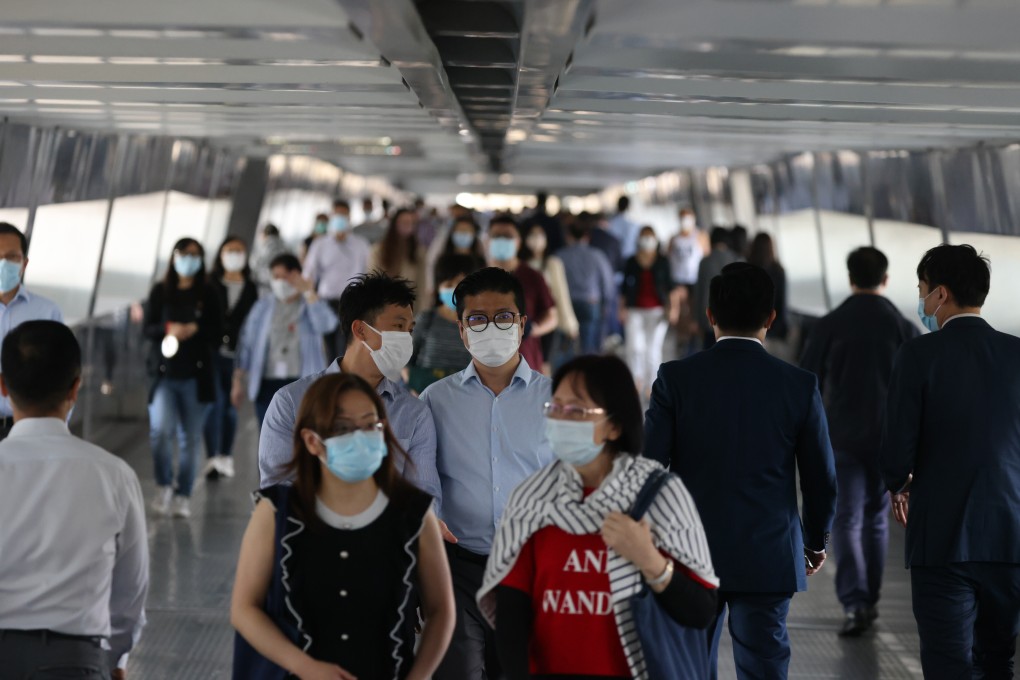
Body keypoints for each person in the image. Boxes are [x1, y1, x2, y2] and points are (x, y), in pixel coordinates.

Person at [644, 262, 837, 679]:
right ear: (770, 317)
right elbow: (821, 478)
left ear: (710, 315)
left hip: (690, 551)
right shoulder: (798, 385)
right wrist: (815, 540)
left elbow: (649, 466)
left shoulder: (676, 379)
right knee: (764, 666)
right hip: (768, 553)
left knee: (689, 664)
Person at [479, 354, 719, 679]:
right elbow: (511, 618)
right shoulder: (532, 500)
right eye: (556, 408)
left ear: (614, 425)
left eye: (576, 410)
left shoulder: (660, 496)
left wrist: (649, 560)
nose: (562, 420)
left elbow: (701, 611)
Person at [231, 373, 455, 680]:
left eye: (370, 425)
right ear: (312, 440)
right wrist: (304, 666)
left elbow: (441, 610)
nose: (360, 436)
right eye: (343, 428)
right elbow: (245, 608)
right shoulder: (274, 512)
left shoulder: (415, 514)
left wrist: (419, 676)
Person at [881, 244, 1020, 678]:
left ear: (940, 294)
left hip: (941, 537)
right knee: (998, 661)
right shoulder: (1017, 353)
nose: (921, 300)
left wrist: (897, 483)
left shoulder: (919, 356)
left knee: (946, 663)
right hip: (1010, 535)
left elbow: (898, 447)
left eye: (922, 289)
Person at [420, 267, 556, 680]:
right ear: (462, 331)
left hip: (532, 569)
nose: (490, 327)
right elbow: (425, 476)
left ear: (522, 325)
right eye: (477, 319)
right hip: (460, 569)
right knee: (459, 671)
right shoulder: (435, 400)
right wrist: (430, 515)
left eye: (503, 317)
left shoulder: (555, 400)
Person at [0, 320, 148, 680]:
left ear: (3, 387)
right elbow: (131, 592)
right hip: (73, 661)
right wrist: (114, 660)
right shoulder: (114, 475)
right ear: (76, 388)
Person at [799, 246, 918, 637]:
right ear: (885, 279)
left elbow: (807, 380)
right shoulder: (902, 326)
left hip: (842, 437)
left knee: (846, 519)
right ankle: (872, 598)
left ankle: (854, 602)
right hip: (888, 439)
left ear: (849, 278)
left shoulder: (831, 323)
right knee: (877, 521)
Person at [258, 272, 441, 507]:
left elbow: (425, 497)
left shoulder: (414, 414)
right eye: (398, 326)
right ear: (361, 330)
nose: (406, 338)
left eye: (409, 330)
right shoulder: (292, 403)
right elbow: (277, 493)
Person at [144, 237, 223, 518]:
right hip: (164, 374)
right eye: (184, 254)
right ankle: (164, 483)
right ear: (174, 257)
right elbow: (147, 328)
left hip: (196, 376)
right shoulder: (160, 291)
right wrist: (169, 328)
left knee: (190, 437)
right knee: (160, 432)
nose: (188, 260)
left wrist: (194, 329)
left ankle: (183, 493)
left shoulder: (209, 293)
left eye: (195, 255)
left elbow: (217, 331)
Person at [234, 254, 338, 429]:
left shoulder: (309, 303)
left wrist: (309, 293)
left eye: (285, 276)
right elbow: (248, 341)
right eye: (276, 277)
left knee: (301, 435)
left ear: (297, 275)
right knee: (269, 435)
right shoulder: (263, 305)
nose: (280, 282)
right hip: (266, 382)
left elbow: (327, 325)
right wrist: (238, 379)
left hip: (300, 381)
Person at [0, 222, 62, 440]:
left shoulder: (46, 311)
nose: (3, 264)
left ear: (24, 263)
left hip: (30, 431)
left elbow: (62, 373)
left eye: (11, 257)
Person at [203, 235, 259, 480]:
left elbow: (254, 323)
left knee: (230, 407)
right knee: (213, 404)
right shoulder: (210, 283)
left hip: (238, 355)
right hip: (211, 352)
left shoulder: (251, 287)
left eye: (239, 250)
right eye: (229, 250)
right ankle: (212, 456)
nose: (234, 255)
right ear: (220, 254)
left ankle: (226, 455)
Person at [486, 215, 558, 370]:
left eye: (508, 236)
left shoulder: (532, 276)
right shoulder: (476, 278)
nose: (502, 240)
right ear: (487, 241)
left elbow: (552, 317)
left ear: (518, 242)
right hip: (486, 362)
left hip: (526, 360)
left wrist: (532, 329)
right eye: (497, 236)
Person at [304, 199, 370, 354]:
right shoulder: (320, 244)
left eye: (344, 215)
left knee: (345, 348)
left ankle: (341, 377)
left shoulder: (361, 245)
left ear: (349, 218)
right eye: (337, 215)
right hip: (325, 301)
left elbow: (367, 273)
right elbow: (309, 273)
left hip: (350, 302)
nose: (340, 218)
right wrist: (310, 297)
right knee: (325, 349)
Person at [408, 253, 477, 394]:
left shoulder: (479, 324)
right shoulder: (426, 319)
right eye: (448, 284)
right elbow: (407, 361)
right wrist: (415, 390)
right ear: (438, 287)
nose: (454, 289)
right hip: (425, 397)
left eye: (459, 283)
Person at [620, 226, 674, 395]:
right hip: (635, 309)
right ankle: (636, 380)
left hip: (658, 311)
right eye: (644, 237)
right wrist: (621, 308)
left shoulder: (662, 261)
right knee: (634, 347)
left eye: (650, 238)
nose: (647, 241)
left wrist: (673, 308)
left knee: (653, 349)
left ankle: (652, 385)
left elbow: (670, 287)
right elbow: (623, 288)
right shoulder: (631, 261)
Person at [521, 223, 579, 370]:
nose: (536, 239)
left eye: (540, 235)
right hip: (526, 322)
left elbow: (561, 295)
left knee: (545, 363)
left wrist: (570, 324)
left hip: (548, 322)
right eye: (532, 235)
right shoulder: (520, 265)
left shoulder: (553, 263)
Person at [556, 219, 616, 355]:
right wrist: (606, 304)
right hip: (591, 302)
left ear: (568, 236)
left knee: (566, 346)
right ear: (587, 237)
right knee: (588, 344)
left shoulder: (560, 256)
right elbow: (607, 282)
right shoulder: (597, 255)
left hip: (566, 304)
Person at [370, 208, 429, 307]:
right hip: (384, 304)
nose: (408, 226)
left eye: (412, 223)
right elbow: (372, 279)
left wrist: (423, 308)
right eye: (404, 222)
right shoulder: (379, 250)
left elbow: (422, 283)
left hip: (410, 306)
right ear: (394, 224)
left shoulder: (419, 252)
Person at [694, 227, 740, 350]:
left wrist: (698, 320)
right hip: (733, 323)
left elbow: (698, 294)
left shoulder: (704, 262)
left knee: (710, 362)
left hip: (709, 322)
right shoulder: (737, 260)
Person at [747, 233, 791, 360]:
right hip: (775, 330)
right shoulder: (779, 271)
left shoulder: (748, 270)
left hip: (752, 331)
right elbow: (782, 304)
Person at [249, 224, 290, 296]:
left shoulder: (262, 248)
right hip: (281, 288)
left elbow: (254, 268)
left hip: (263, 287)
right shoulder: (286, 247)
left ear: (264, 234)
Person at [608, 195, 641, 260]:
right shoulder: (634, 222)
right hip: (631, 256)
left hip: (617, 257)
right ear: (629, 206)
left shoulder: (613, 222)